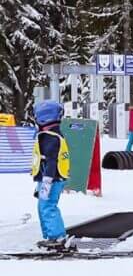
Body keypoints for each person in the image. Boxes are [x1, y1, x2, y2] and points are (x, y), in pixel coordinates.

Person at [31, 100, 72, 251]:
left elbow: (51, 160)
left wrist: (46, 182)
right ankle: (50, 236)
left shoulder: (50, 137)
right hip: (49, 178)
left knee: (48, 206)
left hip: (52, 179)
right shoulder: (50, 134)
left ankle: (57, 236)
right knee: (43, 206)